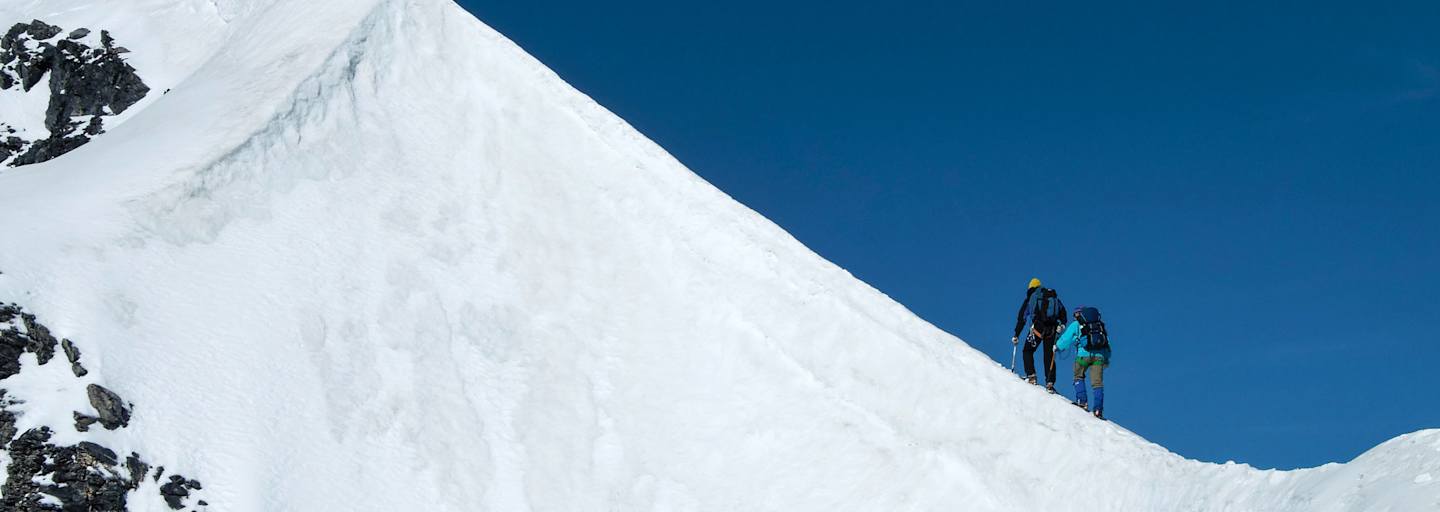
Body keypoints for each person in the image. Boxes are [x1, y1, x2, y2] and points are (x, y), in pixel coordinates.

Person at [1054, 306, 1113, 419]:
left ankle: (1082, 401)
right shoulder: (1099, 326)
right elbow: (1107, 344)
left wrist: (1057, 346)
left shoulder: (1076, 324)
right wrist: (1106, 359)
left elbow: (1066, 338)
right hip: (1099, 357)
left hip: (1083, 355)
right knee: (1097, 383)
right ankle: (1098, 410)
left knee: (1078, 376)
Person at [1011, 278, 1067, 392]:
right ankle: (1050, 382)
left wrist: (1016, 334)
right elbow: (1063, 314)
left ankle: (1031, 375)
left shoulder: (1031, 298)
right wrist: (1061, 326)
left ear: (1030, 288)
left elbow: (1022, 318)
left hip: (1037, 328)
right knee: (1049, 356)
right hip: (1052, 329)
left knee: (1027, 350)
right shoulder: (1052, 297)